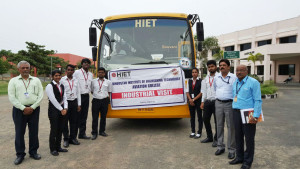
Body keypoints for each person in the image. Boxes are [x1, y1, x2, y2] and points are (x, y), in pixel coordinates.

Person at [8, 61, 43, 165]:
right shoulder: (13, 81)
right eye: (23, 68)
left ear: (30, 69)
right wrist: (23, 108)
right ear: (18, 69)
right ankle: (20, 154)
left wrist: (32, 107)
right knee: (19, 133)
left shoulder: (36, 80)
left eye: (27, 67)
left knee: (34, 132)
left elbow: (40, 95)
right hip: (19, 110)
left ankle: (33, 152)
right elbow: (12, 97)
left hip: (34, 109)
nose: (25, 69)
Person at [229, 65, 262, 169]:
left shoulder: (253, 82)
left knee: (249, 138)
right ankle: (239, 157)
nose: (239, 72)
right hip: (236, 112)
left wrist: (256, 115)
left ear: (246, 71)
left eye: (241, 70)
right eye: (237, 70)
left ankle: (248, 161)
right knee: (238, 136)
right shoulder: (235, 82)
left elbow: (257, 100)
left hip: (248, 113)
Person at [213, 59, 236, 159]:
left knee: (231, 127)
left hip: (229, 104)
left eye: (224, 65)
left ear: (228, 67)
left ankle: (231, 149)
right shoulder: (216, 77)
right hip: (218, 103)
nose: (221, 67)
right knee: (219, 125)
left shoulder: (234, 77)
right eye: (220, 65)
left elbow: (236, 91)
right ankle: (220, 146)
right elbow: (215, 88)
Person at [46, 70, 68, 156]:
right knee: (54, 129)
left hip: (62, 109)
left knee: (60, 128)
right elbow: (53, 99)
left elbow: (65, 97)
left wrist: (65, 108)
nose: (58, 77)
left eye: (59, 75)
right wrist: (60, 109)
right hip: (53, 110)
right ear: (52, 76)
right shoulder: (49, 86)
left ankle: (58, 147)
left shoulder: (62, 85)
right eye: (56, 75)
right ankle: (53, 148)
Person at [61, 64, 81, 147]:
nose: (70, 71)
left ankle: (73, 138)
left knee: (74, 122)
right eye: (68, 69)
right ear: (66, 71)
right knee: (64, 122)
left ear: (73, 71)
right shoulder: (62, 80)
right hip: (65, 103)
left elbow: (78, 92)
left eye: (71, 70)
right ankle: (66, 139)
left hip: (74, 102)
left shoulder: (76, 80)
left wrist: (79, 104)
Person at [73, 58, 93, 139]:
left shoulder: (91, 74)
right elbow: (73, 82)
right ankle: (74, 135)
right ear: (82, 64)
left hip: (86, 96)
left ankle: (82, 134)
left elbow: (91, 85)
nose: (86, 64)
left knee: (84, 116)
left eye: (88, 63)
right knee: (77, 116)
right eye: (84, 63)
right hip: (78, 96)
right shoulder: (77, 72)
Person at [91, 67, 112, 140]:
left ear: (104, 73)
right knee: (95, 117)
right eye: (99, 72)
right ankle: (94, 133)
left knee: (103, 117)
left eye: (102, 72)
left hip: (104, 101)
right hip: (96, 101)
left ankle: (102, 131)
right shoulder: (93, 81)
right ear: (97, 73)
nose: (100, 73)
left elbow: (109, 92)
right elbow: (92, 91)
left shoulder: (108, 82)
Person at [200, 60, 218, 147]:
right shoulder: (206, 78)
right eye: (209, 67)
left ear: (216, 67)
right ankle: (209, 137)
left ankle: (217, 139)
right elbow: (204, 91)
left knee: (217, 121)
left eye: (212, 66)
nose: (211, 68)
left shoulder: (219, 77)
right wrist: (202, 102)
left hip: (217, 102)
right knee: (205, 119)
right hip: (207, 102)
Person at [186, 68, 203, 139]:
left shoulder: (201, 81)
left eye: (195, 72)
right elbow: (187, 91)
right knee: (192, 117)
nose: (194, 73)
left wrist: (193, 99)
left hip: (198, 101)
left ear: (198, 73)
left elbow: (201, 92)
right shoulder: (189, 81)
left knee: (199, 117)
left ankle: (199, 132)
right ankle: (193, 131)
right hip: (191, 101)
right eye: (193, 72)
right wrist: (190, 100)